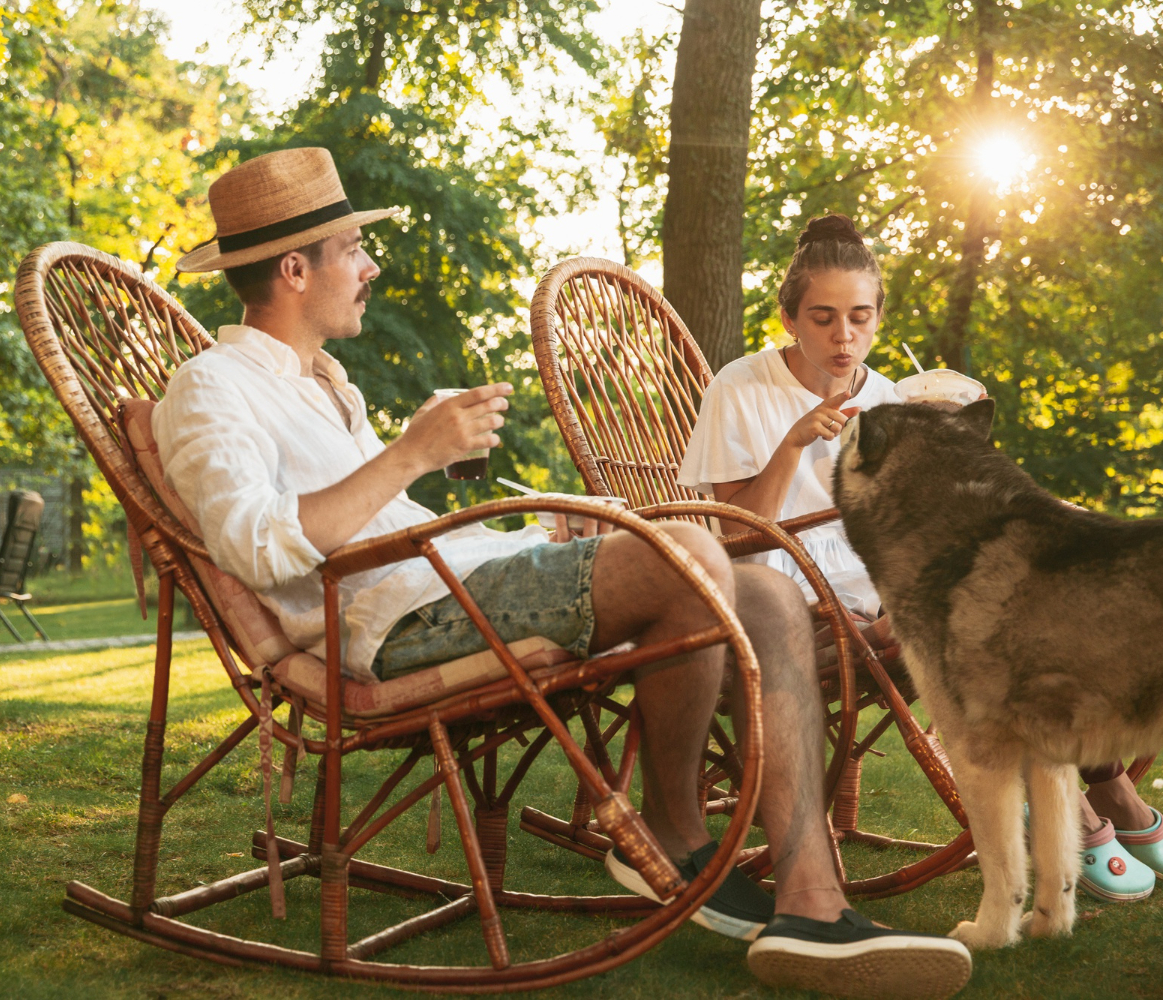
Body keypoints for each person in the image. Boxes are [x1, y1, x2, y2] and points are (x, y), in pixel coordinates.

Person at [154, 149, 972, 998]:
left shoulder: (328, 386)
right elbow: (259, 544)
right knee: (690, 551)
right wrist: (411, 454)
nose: (369, 266)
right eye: (354, 248)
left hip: (453, 583)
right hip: (399, 627)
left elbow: (391, 527)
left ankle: (811, 903)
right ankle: (670, 829)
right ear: (295, 268)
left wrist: (532, 533)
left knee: (760, 585)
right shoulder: (210, 387)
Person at [678, 212, 1163, 902]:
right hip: (783, 582)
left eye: (860, 318)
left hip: (879, 574)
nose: (844, 338)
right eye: (824, 318)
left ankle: (1109, 789)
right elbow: (739, 531)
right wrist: (794, 442)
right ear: (789, 317)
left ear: (878, 317)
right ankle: (1083, 815)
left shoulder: (887, 396)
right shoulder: (739, 389)